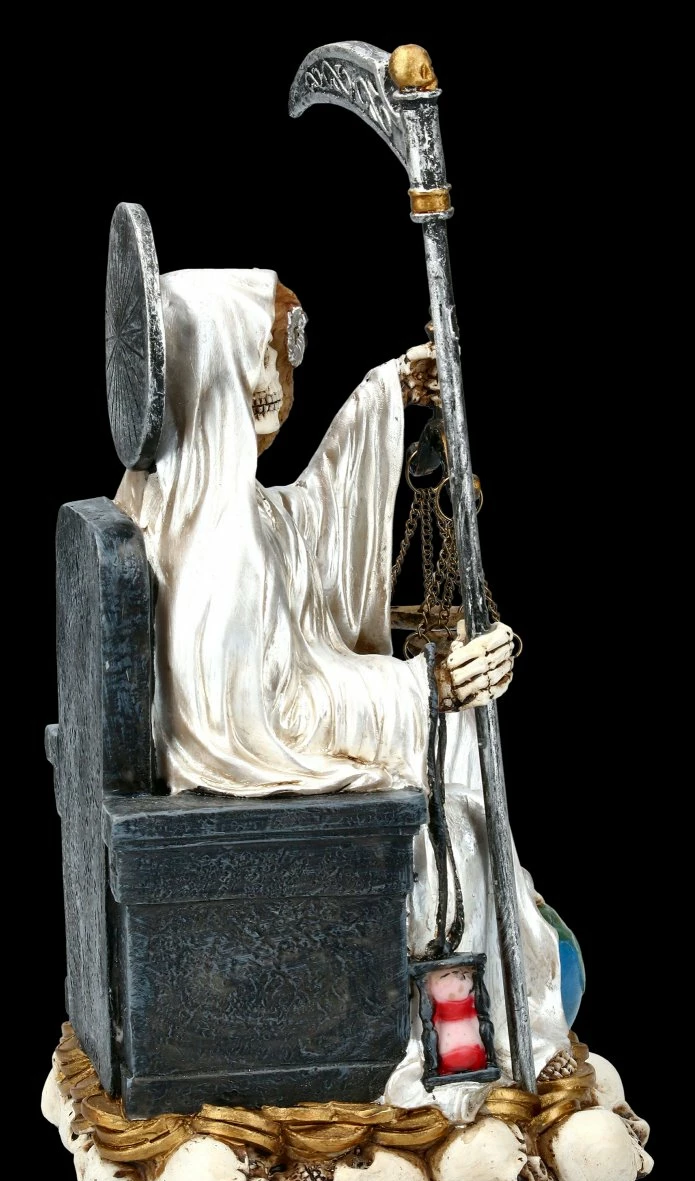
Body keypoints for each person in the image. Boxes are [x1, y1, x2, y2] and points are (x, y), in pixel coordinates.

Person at [115, 266, 569, 1121]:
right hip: (250, 772)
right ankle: (454, 1038)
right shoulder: (214, 548)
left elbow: (303, 525)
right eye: (260, 366)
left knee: (453, 755)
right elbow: (262, 715)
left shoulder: (202, 502)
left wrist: (383, 396)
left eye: (280, 364)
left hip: (260, 739)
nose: (277, 388)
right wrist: (426, 688)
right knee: (456, 816)